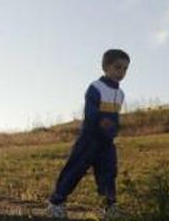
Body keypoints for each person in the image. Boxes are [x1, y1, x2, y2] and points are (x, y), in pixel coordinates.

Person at [46, 49, 130, 220]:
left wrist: (114, 130)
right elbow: (90, 112)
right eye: (117, 67)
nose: (121, 72)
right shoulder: (95, 87)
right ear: (106, 67)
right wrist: (101, 121)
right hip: (90, 139)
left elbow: (116, 117)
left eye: (125, 69)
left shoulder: (120, 94)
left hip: (107, 142)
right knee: (75, 169)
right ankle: (56, 203)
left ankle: (109, 206)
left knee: (108, 171)